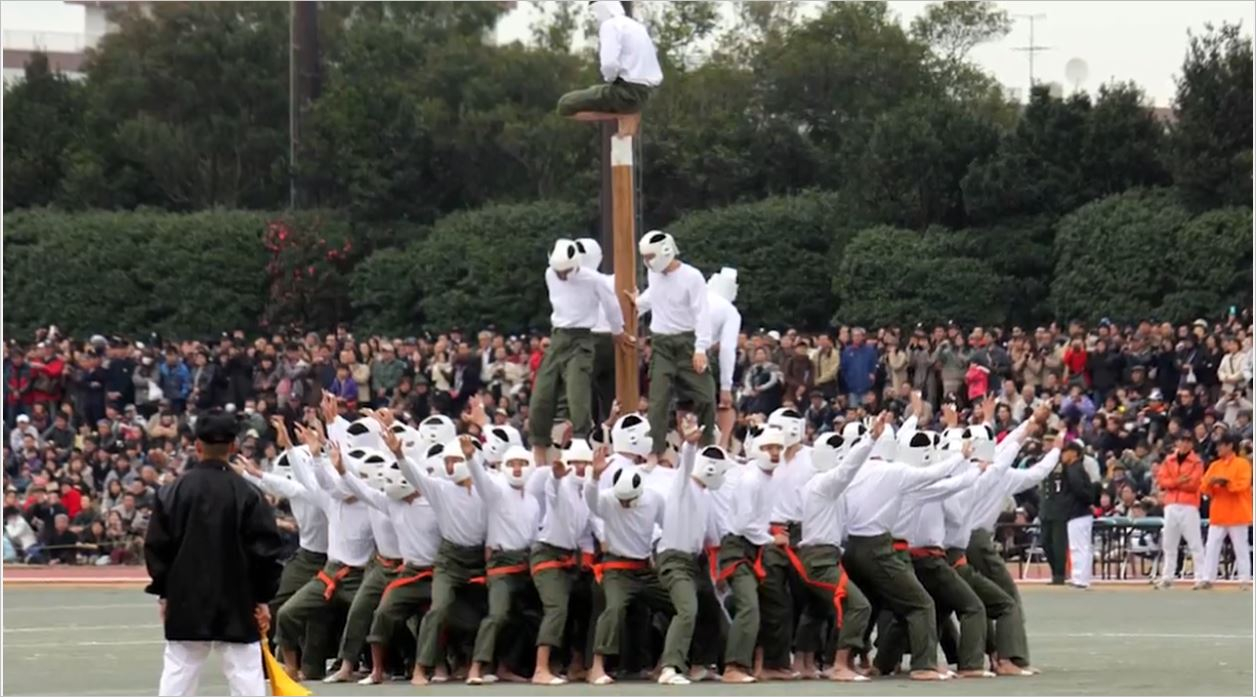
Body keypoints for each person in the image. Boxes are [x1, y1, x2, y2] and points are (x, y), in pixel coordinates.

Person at [144, 410, 284, 697]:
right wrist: (262, 598)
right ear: (233, 447)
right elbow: (265, 551)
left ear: (196, 446)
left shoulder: (173, 491)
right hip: (238, 596)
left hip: (185, 595)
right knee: (245, 672)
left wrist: (164, 592)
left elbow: (157, 546)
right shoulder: (248, 493)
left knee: (179, 669)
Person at [529, 239, 627, 466]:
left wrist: (617, 331)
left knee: (578, 396)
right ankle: (539, 455)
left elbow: (611, 304)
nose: (562, 275)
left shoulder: (593, 279)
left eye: (566, 271)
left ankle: (582, 449)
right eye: (559, 270)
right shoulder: (549, 274)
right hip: (558, 337)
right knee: (541, 397)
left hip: (581, 339)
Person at [629, 231, 717, 459]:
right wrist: (638, 303)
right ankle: (654, 451)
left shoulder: (692, 276)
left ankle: (707, 448)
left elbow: (702, 313)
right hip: (661, 344)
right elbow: (656, 296)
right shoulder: (654, 274)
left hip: (687, 342)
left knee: (706, 396)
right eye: (645, 257)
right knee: (657, 400)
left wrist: (700, 349)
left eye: (650, 256)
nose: (647, 262)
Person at [556, 1, 662, 117]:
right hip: (648, 93)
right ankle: (621, 128)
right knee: (597, 92)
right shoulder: (637, 26)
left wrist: (610, 78)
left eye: (594, 12)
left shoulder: (610, 25)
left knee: (566, 103)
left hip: (627, 94)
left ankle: (616, 122)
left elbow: (609, 65)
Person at [1198, 434, 1253, 589]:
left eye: (1221, 445)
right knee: (1211, 546)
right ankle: (1208, 578)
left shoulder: (1242, 464)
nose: (1218, 449)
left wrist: (1227, 483)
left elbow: (1243, 485)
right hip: (1219, 512)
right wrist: (1212, 483)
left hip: (1237, 512)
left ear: (1229, 446)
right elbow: (1203, 486)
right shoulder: (1215, 465)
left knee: (1240, 547)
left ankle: (1244, 580)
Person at [1154, 433, 1206, 588]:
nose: (1184, 444)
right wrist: (1178, 481)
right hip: (1171, 504)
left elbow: (1193, 484)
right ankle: (1167, 576)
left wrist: (1173, 483)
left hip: (1189, 504)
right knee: (1169, 543)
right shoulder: (1169, 460)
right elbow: (1161, 480)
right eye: (1182, 440)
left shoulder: (1197, 462)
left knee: (1195, 542)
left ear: (1192, 444)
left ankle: (1200, 577)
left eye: (1188, 441)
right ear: (1177, 442)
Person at [705, 268, 742, 449]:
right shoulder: (729, 310)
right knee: (724, 404)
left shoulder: (696, 296)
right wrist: (726, 387)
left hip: (675, 353)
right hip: (704, 356)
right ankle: (722, 444)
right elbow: (727, 349)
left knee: (684, 405)